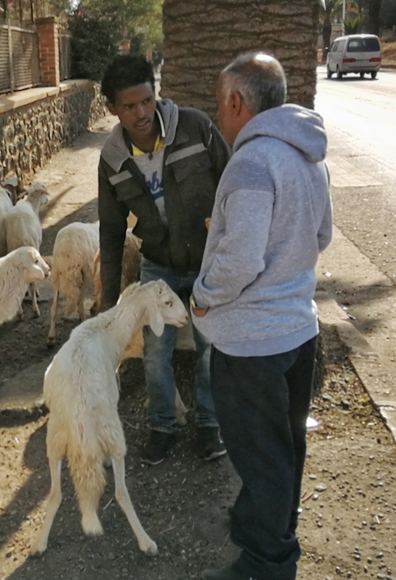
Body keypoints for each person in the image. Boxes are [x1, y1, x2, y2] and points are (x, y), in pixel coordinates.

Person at [190, 53, 333, 580]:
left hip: (252, 343)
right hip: (298, 329)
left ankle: (266, 563)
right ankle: (271, 530)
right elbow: (321, 236)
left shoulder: (251, 162)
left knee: (261, 455)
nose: (218, 114)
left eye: (219, 102)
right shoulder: (308, 154)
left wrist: (202, 296)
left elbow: (241, 259)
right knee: (285, 447)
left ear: (235, 102)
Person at [97, 54, 231, 465]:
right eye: (129, 106)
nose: (141, 114)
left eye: (146, 101)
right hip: (158, 268)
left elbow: (232, 182)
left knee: (213, 346)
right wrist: (107, 302)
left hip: (209, 260)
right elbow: (111, 231)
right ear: (112, 109)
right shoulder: (112, 160)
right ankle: (162, 426)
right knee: (156, 352)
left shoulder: (195, 127)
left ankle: (209, 426)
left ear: (156, 94)